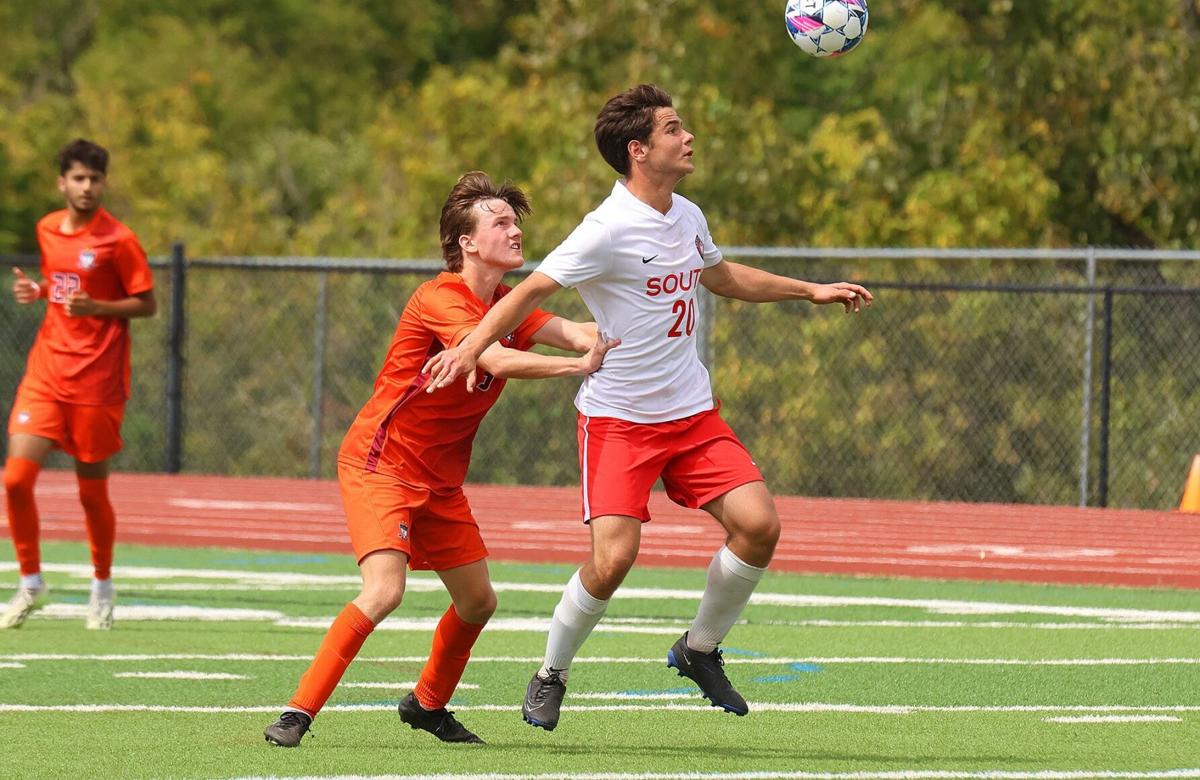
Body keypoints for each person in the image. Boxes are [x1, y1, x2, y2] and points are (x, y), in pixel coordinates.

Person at [423, 85, 872, 731]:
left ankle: (698, 650)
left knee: (759, 526)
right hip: (618, 421)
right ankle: (552, 673)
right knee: (613, 560)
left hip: (690, 412)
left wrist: (811, 290)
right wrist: (470, 346)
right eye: (673, 129)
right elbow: (529, 294)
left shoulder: (686, 214)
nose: (687, 137)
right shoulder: (604, 230)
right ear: (639, 150)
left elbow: (719, 276)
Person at [262, 172, 618, 748]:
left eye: (515, 219)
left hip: (440, 481)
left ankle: (427, 705)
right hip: (381, 464)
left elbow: (578, 331)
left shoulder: (505, 303)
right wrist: (576, 367)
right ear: (467, 242)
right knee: (384, 592)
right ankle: (297, 712)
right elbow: (495, 359)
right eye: (499, 221)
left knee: (479, 601)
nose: (515, 229)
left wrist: (645, 331)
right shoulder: (440, 297)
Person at [2, 139, 156, 631]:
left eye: (95, 179)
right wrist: (39, 291)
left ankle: (102, 587)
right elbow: (62, 285)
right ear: (62, 182)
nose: (87, 187)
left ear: (103, 183)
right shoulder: (48, 228)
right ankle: (30, 581)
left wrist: (100, 309)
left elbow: (146, 303)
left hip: (97, 382)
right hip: (46, 373)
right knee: (15, 479)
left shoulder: (119, 240)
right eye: (78, 178)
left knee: (91, 492)